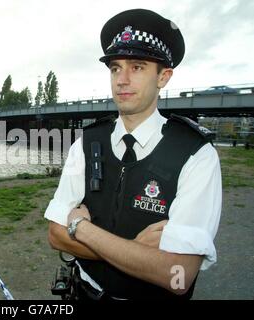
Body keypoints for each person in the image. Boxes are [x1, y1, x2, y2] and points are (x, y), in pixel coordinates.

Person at [45, 8, 222, 300]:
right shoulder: (87, 143)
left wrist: (81, 228)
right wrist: (136, 249)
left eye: (137, 67)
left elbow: (177, 275)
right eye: (116, 68)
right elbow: (55, 234)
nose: (122, 79)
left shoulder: (195, 154)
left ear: (163, 77)